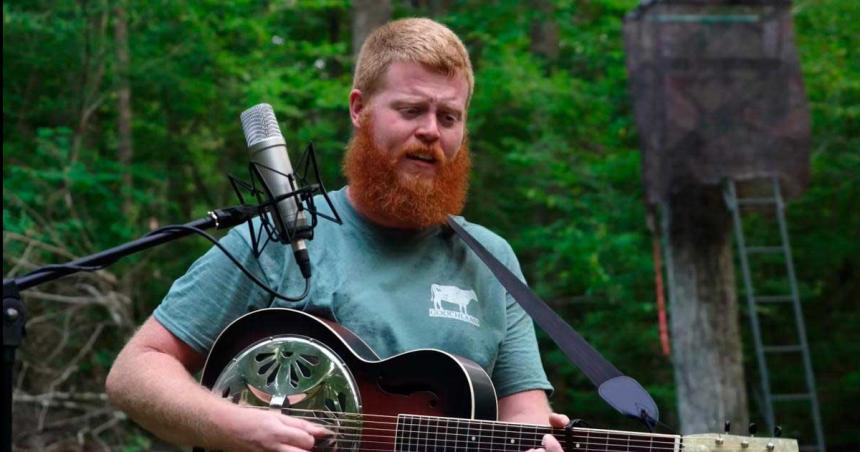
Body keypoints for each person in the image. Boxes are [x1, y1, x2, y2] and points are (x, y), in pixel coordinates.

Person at [106, 17, 569, 451]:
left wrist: (533, 443)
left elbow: (524, 413)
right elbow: (136, 369)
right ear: (359, 109)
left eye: (449, 117)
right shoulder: (280, 237)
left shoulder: (491, 259)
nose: (430, 131)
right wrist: (237, 427)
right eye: (410, 110)